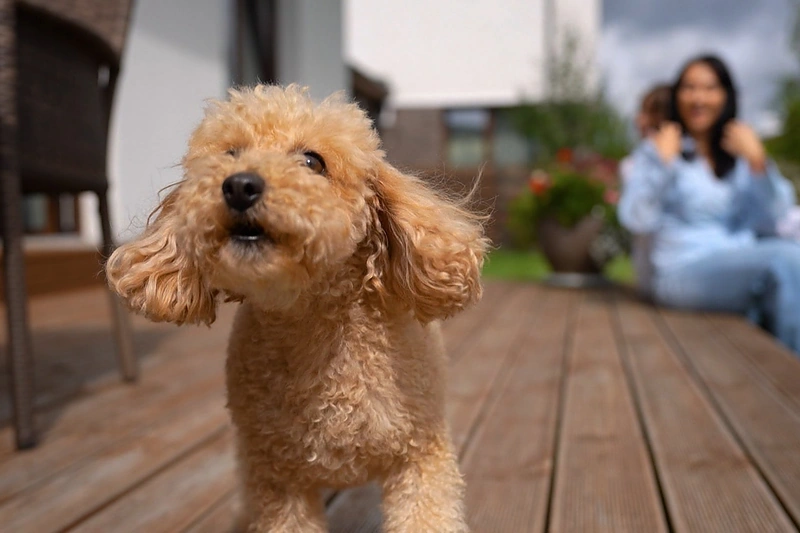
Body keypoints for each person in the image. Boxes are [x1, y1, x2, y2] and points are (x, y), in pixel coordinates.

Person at [618, 54, 800, 354]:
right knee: (783, 262)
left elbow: (775, 217)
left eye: (709, 88)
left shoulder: (737, 156)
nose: (698, 98)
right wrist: (664, 165)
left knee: (786, 268)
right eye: (689, 88)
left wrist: (758, 162)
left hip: (736, 264)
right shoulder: (659, 149)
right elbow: (635, 219)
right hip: (680, 273)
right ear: (677, 96)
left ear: (726, 96)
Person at [621, 83, 672, 298]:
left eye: (644, 112)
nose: (637, 119)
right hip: (654, 281)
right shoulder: (639, 161)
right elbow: (637, 217)